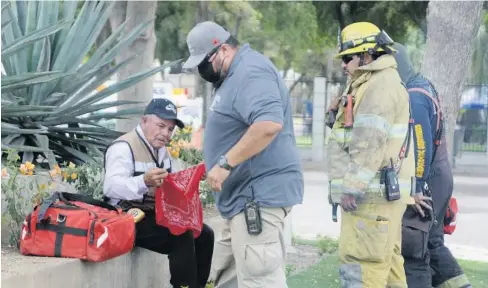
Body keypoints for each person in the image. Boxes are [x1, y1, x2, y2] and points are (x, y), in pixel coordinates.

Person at [182, 21, 304, 287]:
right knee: (228, 279)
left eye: (204, 62)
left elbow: (268, 124)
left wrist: (225, 163)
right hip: (240, 201)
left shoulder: (250, 72)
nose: (202, 70)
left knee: (260, 280)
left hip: (256, 199)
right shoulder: (234, 76)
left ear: (224, 49)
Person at [327, 22, 416, 287]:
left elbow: (369, 143)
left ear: (367, 55)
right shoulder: (369, 83)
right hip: (378, 199)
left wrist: (351, 187)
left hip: (370, 199)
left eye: (347, 58)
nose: (344, 64)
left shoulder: (379, 86)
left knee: (362, 265)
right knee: (388, 269)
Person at [103, 98, 214, 288]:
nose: (165, 134)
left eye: (170, 129)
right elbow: (111, 187)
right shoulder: (123, 147)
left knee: (205, 235)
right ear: (144, 120)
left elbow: (171, 184)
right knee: (181, 234)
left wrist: (192, 177)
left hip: (154, 213)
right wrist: (143, 181)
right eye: (161, 125)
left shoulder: (162, 151)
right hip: (125, 217)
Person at [393, 42, 472, 288]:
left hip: (427, 180)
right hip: (439, 176)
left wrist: (416, 188)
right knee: (433, 242)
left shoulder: (414, 96)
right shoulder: (423, 86)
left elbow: (420, 145)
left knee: (414, 245)